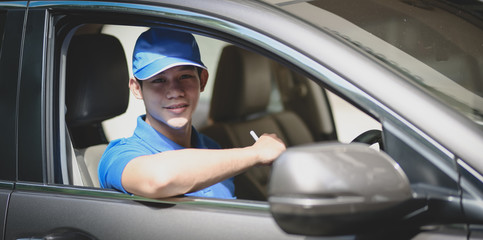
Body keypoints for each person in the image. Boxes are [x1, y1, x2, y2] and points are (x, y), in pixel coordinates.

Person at [98, 28, 286, 199]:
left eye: (185, 76)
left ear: (202, 80)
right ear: (137, 89)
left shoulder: (212, 147)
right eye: (159, 80)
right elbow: (160, 179)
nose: (175, 91)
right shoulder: (119, 155)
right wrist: (255, 154)